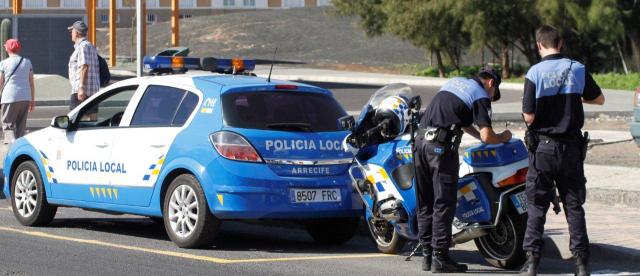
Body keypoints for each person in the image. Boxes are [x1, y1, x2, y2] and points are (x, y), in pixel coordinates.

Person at [519, 25, 605, 276]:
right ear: (562, 42)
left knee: (536, 206)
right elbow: (599, 99)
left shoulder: (534, 72)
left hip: (543, 149)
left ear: (539, 45)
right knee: (573, 205)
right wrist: (576, 97)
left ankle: (532, 262)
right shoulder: (577, 68)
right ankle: (581, 263)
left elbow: (528, 115)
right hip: (571, 148)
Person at [415, 66, 511, 273]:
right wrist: (502, 138)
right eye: (493, 94)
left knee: (426, 201)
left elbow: (464, 123)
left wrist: (478, 138)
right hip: (440, 149)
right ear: (491, 83)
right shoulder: (480, 95)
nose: (491, 97)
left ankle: (427, 255)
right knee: (444, 201)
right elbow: (487, 135)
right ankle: (440, 258)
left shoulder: (454, 82)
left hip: (420, 143)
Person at [0, 38, 35, 144]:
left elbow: (0, 81)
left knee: (7, 124)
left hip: (9, 97)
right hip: (25, 97)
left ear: (8, 49)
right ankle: (19, 147)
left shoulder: (4, 63)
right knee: (21, 126)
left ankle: (12, 144)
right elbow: (31, 83)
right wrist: (32, 100)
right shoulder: (27, 62)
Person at [67, 21, 99, 118]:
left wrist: (81, 87)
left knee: (73, 121)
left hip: (82, 91)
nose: (71, 33)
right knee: (92, 120)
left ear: (76, 33)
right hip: (93, 90)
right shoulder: (90, 46)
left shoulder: (82, 47)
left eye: (72, 31)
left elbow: (84, 66)